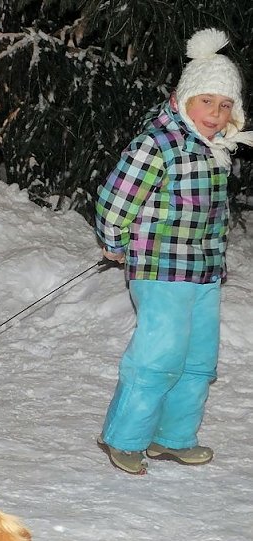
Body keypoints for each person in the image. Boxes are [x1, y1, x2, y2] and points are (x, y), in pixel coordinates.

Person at [94, 28, 253, 475]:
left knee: (198, 361)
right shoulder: (159, 145)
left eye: (226, 105)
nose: (216, 114)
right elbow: (116, 199)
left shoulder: (213, 150)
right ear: (184, 99)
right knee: (158, 358)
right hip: (161, 270)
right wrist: (114, 242)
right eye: (207, 101)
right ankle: (124, 438)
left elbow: (211, 216)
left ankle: (173, 436)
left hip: (203, 272)